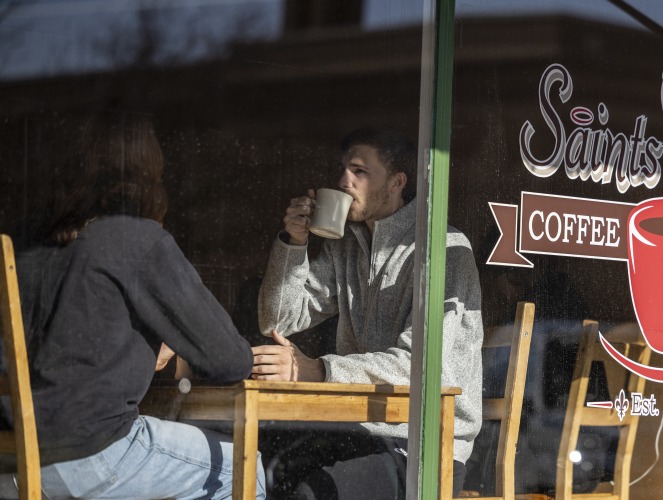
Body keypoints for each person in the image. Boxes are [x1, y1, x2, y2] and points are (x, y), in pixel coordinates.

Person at [0, 107, 266, 499]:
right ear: (148, 169)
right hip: (89, 454)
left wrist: (139, 347)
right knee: (243, 467)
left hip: (13, 458)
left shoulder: (31, 249)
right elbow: (230, 361)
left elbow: (62, 351)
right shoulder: (135, 239)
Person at [252, 126, 484, 499]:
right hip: (355, 429)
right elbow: (278, 319)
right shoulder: (347, 246)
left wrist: (318, 370)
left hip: (425, 446)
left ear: (396, 182)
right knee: (261, 470)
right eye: (343, 168)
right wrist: (294, 244)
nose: (344, 180)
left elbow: (425, 367)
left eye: (359, 171)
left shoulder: (445, 248)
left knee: (311, 494)